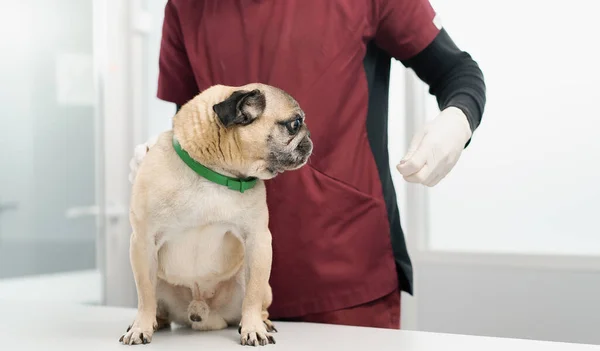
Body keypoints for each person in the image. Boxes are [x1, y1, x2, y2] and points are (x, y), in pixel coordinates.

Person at [128, 0, 486, 330]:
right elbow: (196, 124)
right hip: (223, 289)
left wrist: (457, 121)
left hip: (343, 271)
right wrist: (164, 161)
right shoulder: (187, 7)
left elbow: (457, 71)